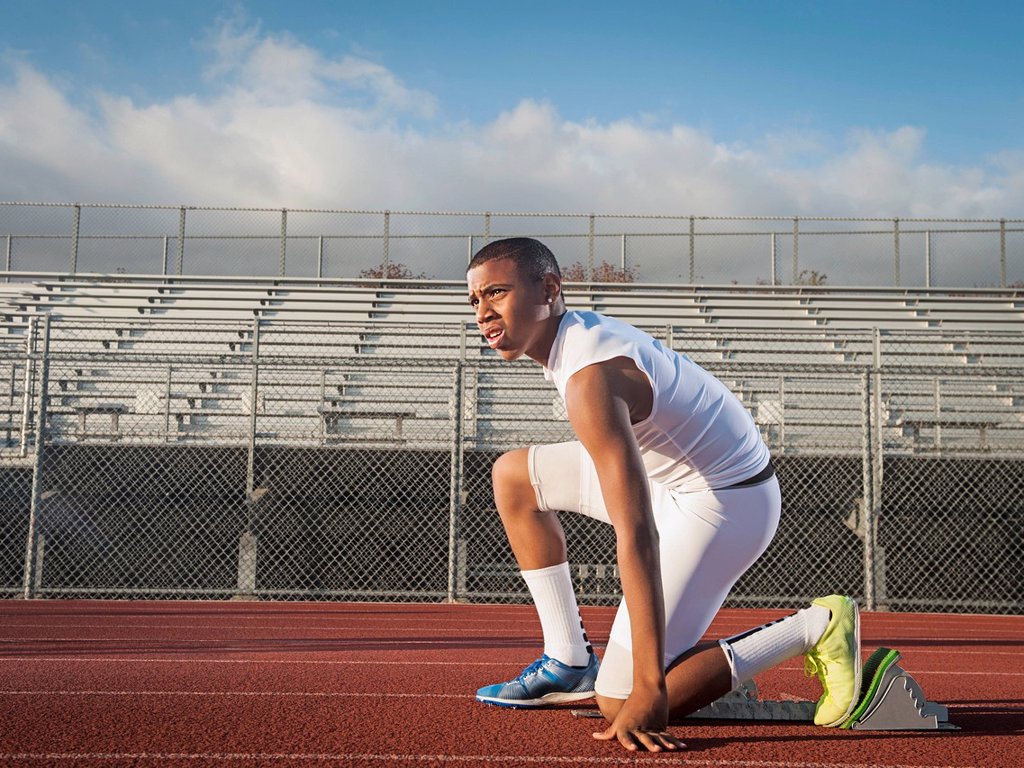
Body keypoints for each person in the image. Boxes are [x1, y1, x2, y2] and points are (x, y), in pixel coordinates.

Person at [466, 237, 861, 753]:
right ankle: (567, 660)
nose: (483, 312)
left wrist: (651, 687)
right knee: (514, 477)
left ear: (549, 289)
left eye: (496, 292)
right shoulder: (571, 339)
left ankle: (817, 625)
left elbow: (637, 532)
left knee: (621, 698)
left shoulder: (590, 378)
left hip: (725, 501)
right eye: (474, 301)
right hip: (673, 479)